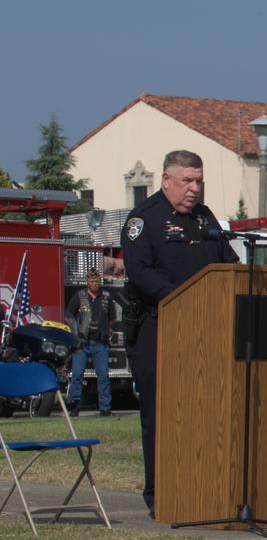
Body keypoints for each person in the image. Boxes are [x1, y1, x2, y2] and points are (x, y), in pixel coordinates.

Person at [121, 150, 238, 514]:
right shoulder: (144, 219)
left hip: (207, 331)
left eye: (199, 180)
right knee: (161, 416)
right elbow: (140, 273)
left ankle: (202, 487)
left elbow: (229, 263)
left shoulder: (205, 218)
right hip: (160, 327)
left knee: (204, 413)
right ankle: (162, 494)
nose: (194, 188)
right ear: (166, 180)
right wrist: (183, 298)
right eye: (187, 180)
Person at [65, 269, 120, 416]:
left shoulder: (106, 297)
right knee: (77, 375)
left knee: (103, 376)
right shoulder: (79, 296)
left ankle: (105, 408)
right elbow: (69, 315)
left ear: (99, 282)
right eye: (91, 281)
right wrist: (75, 330)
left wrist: (107, 329)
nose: (94, 284)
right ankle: (74, 406)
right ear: (87, 282)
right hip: (82, 343)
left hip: (100, 342)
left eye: (96, 281)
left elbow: (112, 317)